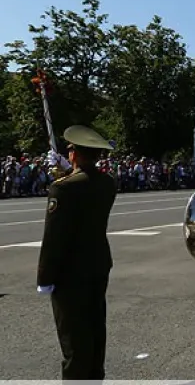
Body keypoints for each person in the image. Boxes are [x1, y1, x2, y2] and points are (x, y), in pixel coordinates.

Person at [36, 125, 117, 380]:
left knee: (73, 340)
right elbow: (87, 184)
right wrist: (69, 173)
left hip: (70, 273)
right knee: (94, 330)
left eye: (70, 150)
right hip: (97, 265)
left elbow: (54, 239)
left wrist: (45, 278)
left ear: (73, 154)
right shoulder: (107, 183)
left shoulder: (63, 188)